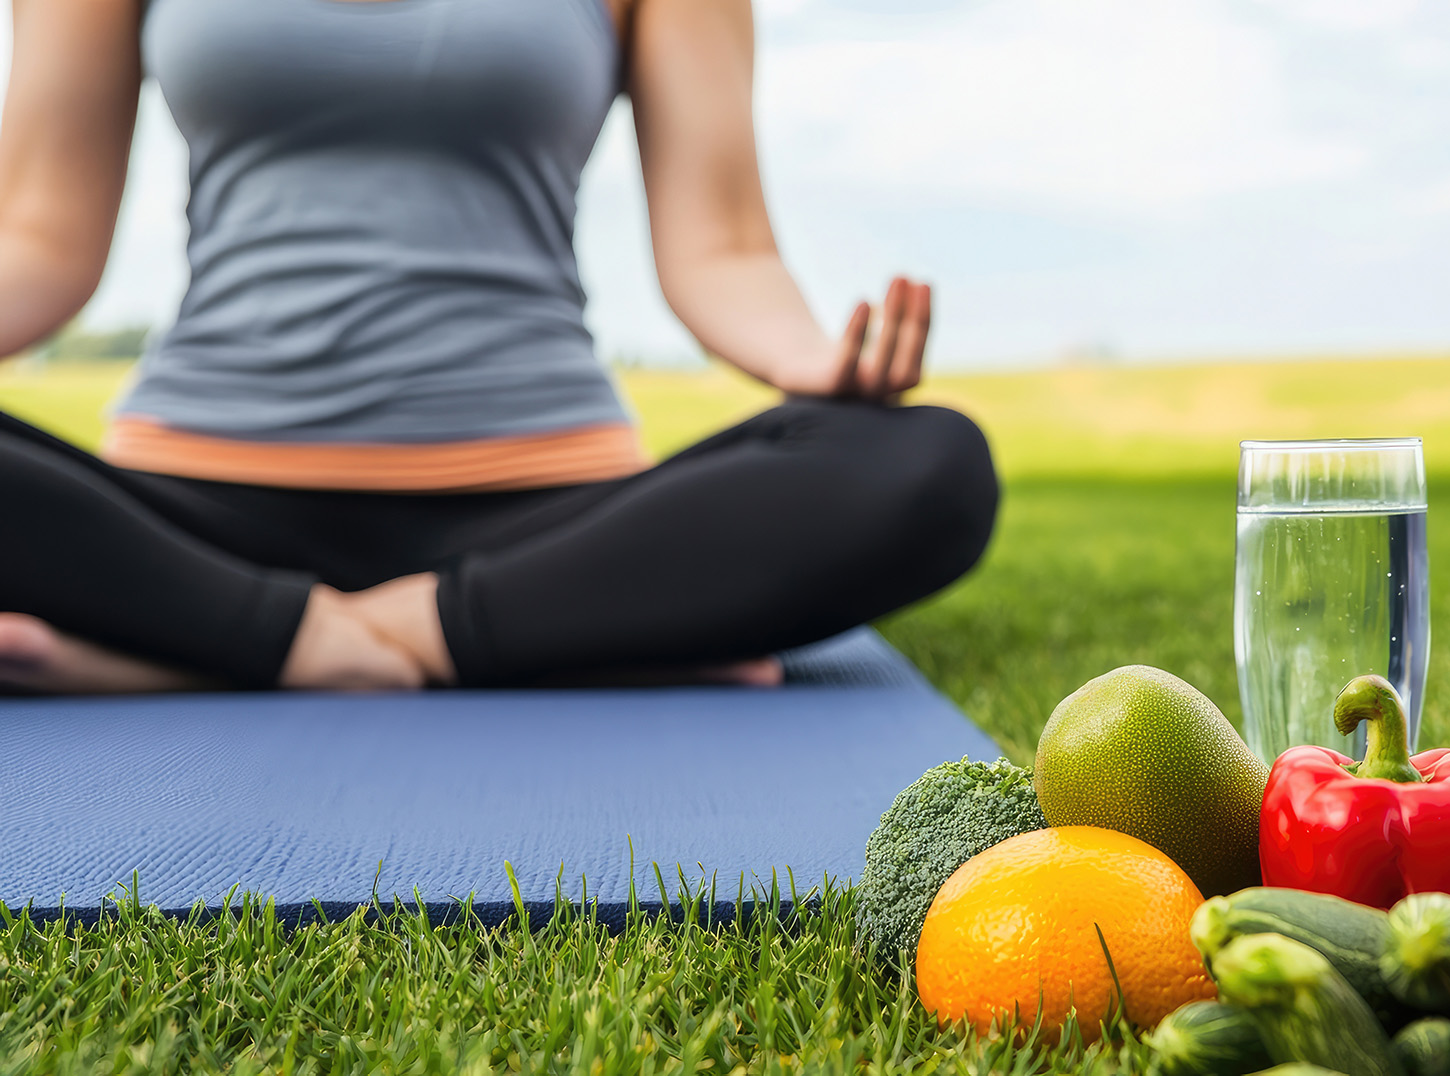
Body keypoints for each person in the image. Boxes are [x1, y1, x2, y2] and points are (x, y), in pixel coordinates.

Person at [0, 0, 997, 693]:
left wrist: (805, 359)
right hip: (185, 516)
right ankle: (555, 644)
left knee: (928, 464)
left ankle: (215, 648)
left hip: (545, 519)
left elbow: (723, 247)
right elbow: (38, 237)